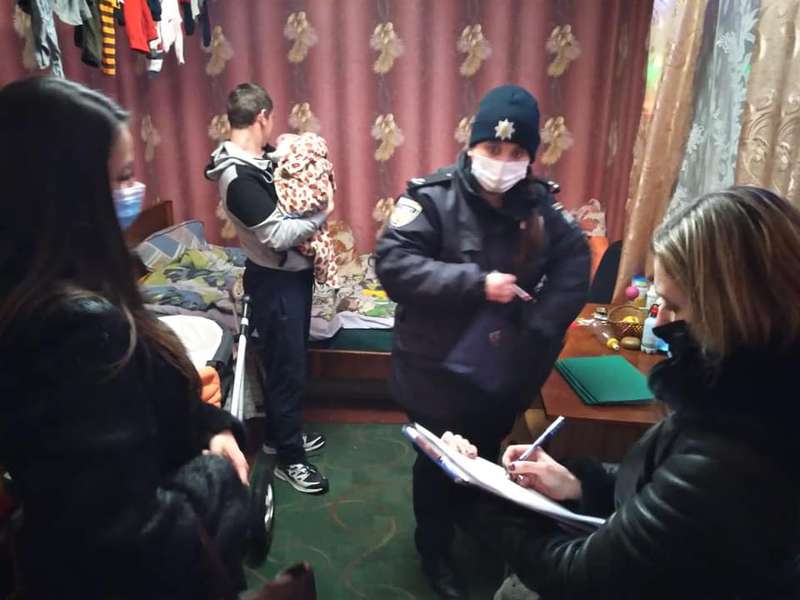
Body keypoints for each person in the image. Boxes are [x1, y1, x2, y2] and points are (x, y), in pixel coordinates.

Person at [445, 186, 800, 599]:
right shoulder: (744, 396)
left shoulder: (730, 455)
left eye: (674, 306)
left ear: (733, 313)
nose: (660, 322)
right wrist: (576, 483)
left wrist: (487, 494)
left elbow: (575, 576)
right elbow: (664, 487)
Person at [0, 77, 251, 598]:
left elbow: (140, 413)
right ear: (68, 195)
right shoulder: (74, 330)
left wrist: (208, 424)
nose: (135, 192)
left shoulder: (62, 292)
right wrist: (218, 477)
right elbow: (129, 544)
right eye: (123, 177)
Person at [375, 84, 590, 599]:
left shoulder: (540, 207)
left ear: (530, 158)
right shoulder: (431, 198)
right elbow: (394, 264)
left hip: (502, 369)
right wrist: (477, 284)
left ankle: (473, 526)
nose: (503, 162)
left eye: (516, 153)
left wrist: (537, 326)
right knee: (438, 464)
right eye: (493, 148)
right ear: (472, 146)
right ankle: (434, 551)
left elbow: (575, 261)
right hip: (434, 369)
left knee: (486, 454)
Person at [205, 83, 331, 494]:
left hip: (290, 276)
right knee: (286, 368)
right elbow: (277, 235)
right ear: (262, 116)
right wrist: (323, 211)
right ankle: (289, 460)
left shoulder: (258, 159)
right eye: (272, 120)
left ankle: (282, 435)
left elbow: (285, 170)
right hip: (275, 280)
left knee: (289, 362)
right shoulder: (237, 177)